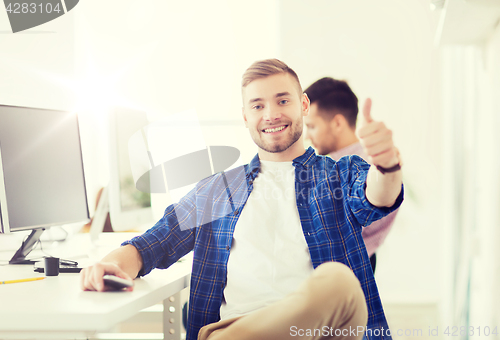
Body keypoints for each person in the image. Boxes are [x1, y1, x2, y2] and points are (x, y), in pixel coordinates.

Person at [80, 59, 403, 340]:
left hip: (321, 332)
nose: (271, 114)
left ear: (303, 105)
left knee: (339, 283)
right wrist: (111, 264)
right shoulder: (218, 189)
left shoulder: (338, 174)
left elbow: (377, 194)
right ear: (246, 116)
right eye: (258, 105)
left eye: (282, 101)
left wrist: (387, 164)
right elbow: (153, 243)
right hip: (238, 327)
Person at [304, 77, 399, 273]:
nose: (307, 136)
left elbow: (374, 193)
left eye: (312, 126)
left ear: (337, 123)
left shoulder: (366, 165)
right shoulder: (327, 166)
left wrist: (387, 166)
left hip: (348, 272)